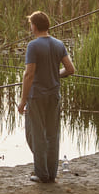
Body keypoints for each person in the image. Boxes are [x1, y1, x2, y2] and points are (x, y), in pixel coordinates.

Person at [18, 11, 75, 183]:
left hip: (37, 97)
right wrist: (55, 74)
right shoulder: (59, 44)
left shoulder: (33, 46)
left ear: (34, 26)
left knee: (36, 134)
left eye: (31, 24)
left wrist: (22, 101)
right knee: (52, 134)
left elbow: (29, 74)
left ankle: (41, 173)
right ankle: (51, 173)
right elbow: (70, 69)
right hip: (54, 96)